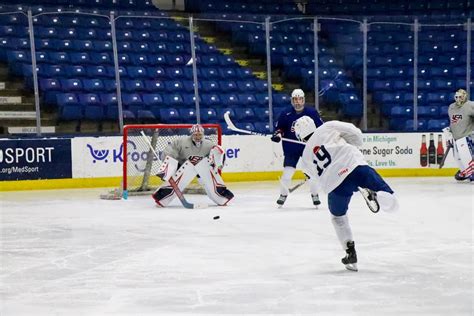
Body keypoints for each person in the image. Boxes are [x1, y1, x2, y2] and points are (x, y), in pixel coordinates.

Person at [294, 116, 399, 271]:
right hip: (354, 166)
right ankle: (377, 195)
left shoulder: (304, 158)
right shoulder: (327, 127)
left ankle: (350, 252)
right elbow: (355, 133)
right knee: (391, 200)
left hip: (336, 185)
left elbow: (314, 179)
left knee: (338, 217)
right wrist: (353, 143)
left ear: (299, 136)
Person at [152, 124, 234, 207]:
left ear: (203, 134)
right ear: (191, 134)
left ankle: (222, 198)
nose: (198, 137)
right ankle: (161, 198)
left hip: (199, 166)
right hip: (182, 165)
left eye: (200, 135)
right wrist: (168, 167)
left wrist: (219, 163)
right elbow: (169, 151)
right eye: (195, 135)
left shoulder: (209, 144)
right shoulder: (181, 142)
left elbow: (218, 153)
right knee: (178, 179)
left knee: (208, 175)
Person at [271, 88, 324, 207]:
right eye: (295, 99)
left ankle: (315, 195)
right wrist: (278, 134)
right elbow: (279, 128)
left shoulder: (311, 112)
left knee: (312, 174)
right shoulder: (286, 113)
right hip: (291, 148)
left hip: (308, 148)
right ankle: (283, 195)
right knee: (287, 173)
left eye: (300, 99)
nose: (297, 102)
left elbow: (321, 128)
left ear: (303, 100)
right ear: (292, 100)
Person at [442, 89, 474, 182]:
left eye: (461, 97)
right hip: (456, 138)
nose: (458, 99)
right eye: (457, 97)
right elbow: (453, 122)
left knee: (467, 156)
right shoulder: (451, 107)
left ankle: (471, 171)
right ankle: (466, 171)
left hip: (467, 136)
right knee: (458, 158)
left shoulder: (470, 105)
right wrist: (449, 132)